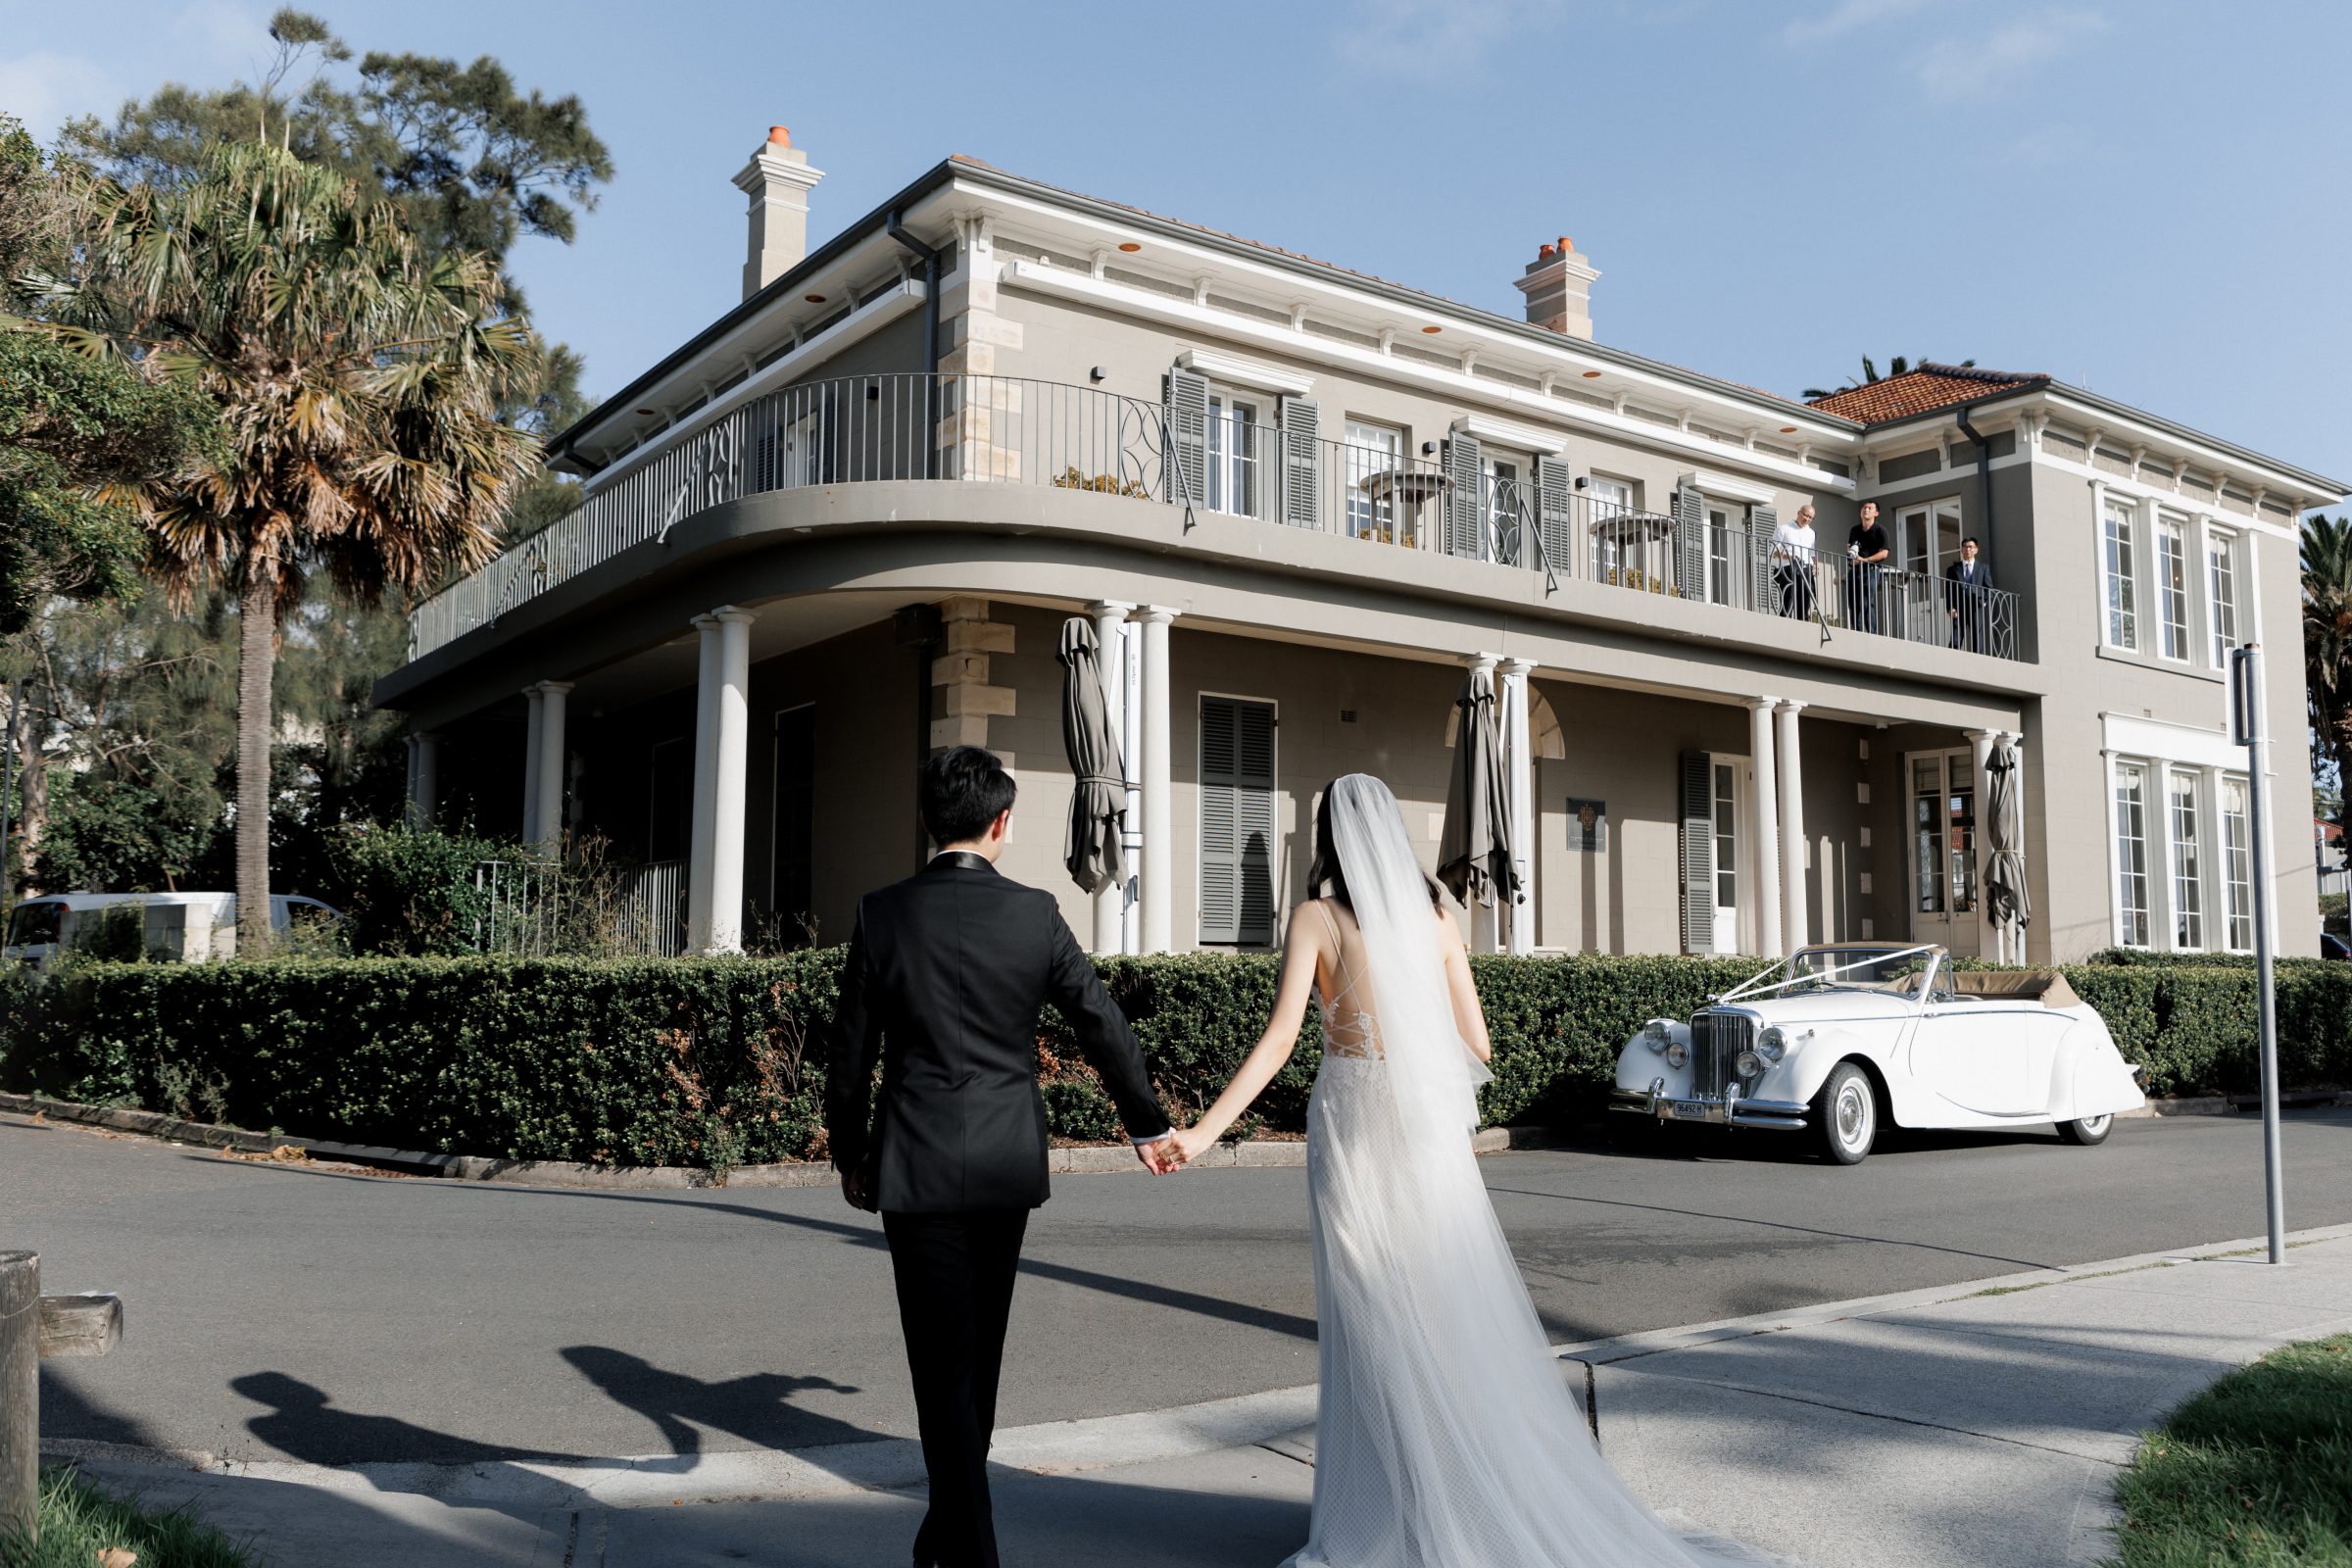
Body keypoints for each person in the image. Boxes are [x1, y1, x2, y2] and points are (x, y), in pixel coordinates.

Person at [1168, 774, 1776, 1568]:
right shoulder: (1438, 919)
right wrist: (1414, 1056)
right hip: (1422, 1135)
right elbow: (1481, 1048)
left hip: (1351, 1124)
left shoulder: (1317, 917)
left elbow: (1282, 1040)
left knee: (1369, 1323)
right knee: (1437, 1314)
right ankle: (1451, 1499)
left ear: (1328, 838)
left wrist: (1206, 1133)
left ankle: (1390, 1516)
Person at [825, 745, 1179, 1568]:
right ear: (1002, 822)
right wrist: (1148, 1124)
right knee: (977, 1359)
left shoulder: (882, 913)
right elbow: (1099, 1022)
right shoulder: (1034, 913)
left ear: (927, 824)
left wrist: (850, 1152)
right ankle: (953, 1538)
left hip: (913, 1166)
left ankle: (961, 1542)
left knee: (940, 1367)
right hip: (1004, 1164)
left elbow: (851, 1053)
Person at [1845, 501, 1890, 634]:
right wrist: (1851, 560)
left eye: (1870, 508)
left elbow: (1884, 553)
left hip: (1871, 570)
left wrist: (1865, 560)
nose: (1866, 510)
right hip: (1855, 570)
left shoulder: (1880, 530)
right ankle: (1857, 632)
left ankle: (1872, 633)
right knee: (1853, 603)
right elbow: (1849, 547)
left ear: (1876, 513)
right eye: (1864, 507)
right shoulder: (1854, 530)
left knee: (1866, 601)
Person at [1943, 535, 1993, 651]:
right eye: (1965, 547)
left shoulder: (1983, 568)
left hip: (1976, 605)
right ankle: (1952, 655)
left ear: (1976, 550)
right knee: (1957, 633)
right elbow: (1949, 589)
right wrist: (1951, 607)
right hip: (1959, 606)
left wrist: (1984, 603)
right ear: (1961, 550)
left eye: (1970, 547)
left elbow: (1989, 589)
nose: (1968, 549)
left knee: (1977, 633)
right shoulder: (1953, 569)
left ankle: (1978, 658)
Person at [1772, 504, 1819, 620]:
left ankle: (1803, 624)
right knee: (1788, 599)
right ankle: (1784, 622)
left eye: (1810, 517)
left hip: (1806, 569)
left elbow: (1811, 553)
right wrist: (1790, 557)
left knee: (1805, 600)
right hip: (1788, 568)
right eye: (1805, 515)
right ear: (1799, 513)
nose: (1807, 519)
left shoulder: (1811, 533)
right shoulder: (1783, 529)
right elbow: (1773, 552)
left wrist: (1815, 566)